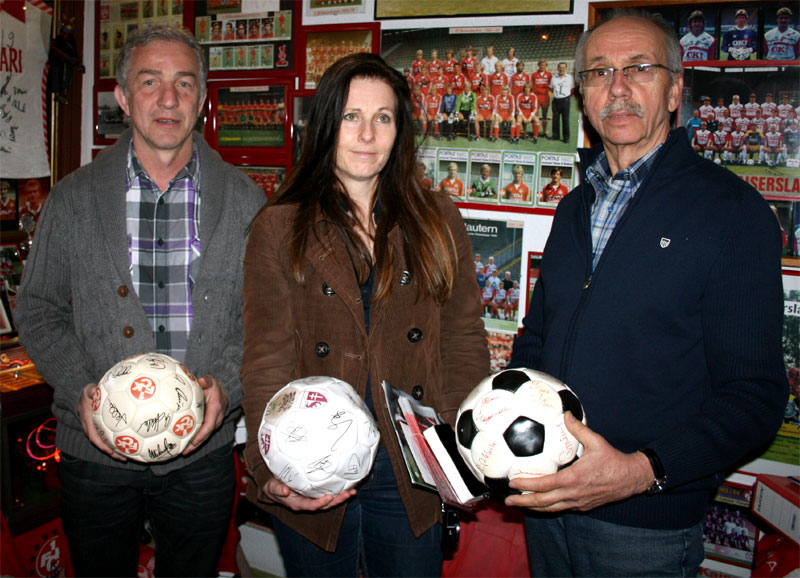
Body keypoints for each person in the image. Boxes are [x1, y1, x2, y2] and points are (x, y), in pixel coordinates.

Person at [506, 11, 787, 577]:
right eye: (599, 72)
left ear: (676, 89)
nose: (618, 88)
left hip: (643, 524)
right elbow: (538, 339)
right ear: (582, 96)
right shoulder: (573, 208)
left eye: (639, 68)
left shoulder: (731, 212)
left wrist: (641, 471)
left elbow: (755, 397)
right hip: (546, 505)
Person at [14, 26, 266, 578]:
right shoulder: (73, 198)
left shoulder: (246, 201)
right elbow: (36, 307)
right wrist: (83, 386)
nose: (168, 98)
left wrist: (227, 386)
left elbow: (265, 319)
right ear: (124, 98)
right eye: (150, 82)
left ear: (201, 99)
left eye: (184, 83)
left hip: (202, 457)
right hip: (94, 453)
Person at [240, 53, 488, 577]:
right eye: (352, 116)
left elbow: (463, 341)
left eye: (384, 117)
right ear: (327, 124)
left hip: (410, 465)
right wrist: (269, 468)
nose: (367, 133)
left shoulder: (438, 219)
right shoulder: (279, 228)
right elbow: (267, 358)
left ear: (400, 130)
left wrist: (468, 442)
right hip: (313, 459)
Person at [549, 62, 575, 143]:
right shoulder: (554, 77)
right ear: (557, 68)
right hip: (556, 100)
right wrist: (553, 96)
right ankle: (555, 136)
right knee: (555, 119)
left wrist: (567, 97)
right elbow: (551, 88)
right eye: (560, 67)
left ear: (566, 68)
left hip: (565, 100)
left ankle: (566, 137)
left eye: (563, 68)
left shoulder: (569, 78)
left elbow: (573, 88)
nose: (561, 69)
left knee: (565, 119)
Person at [531, 60, 553, 138]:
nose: (542, 66)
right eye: (540, 65)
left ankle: (544, 131)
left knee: (544, 115)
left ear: (546, 66)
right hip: (536, 97)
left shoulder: (549, 74)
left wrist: (547, 92)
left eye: (543, 65)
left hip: (545, 97)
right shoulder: (534, 74)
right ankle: (535, 132)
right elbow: (532, 86)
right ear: (538, 65)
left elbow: (551, 85)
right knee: (535, 115)